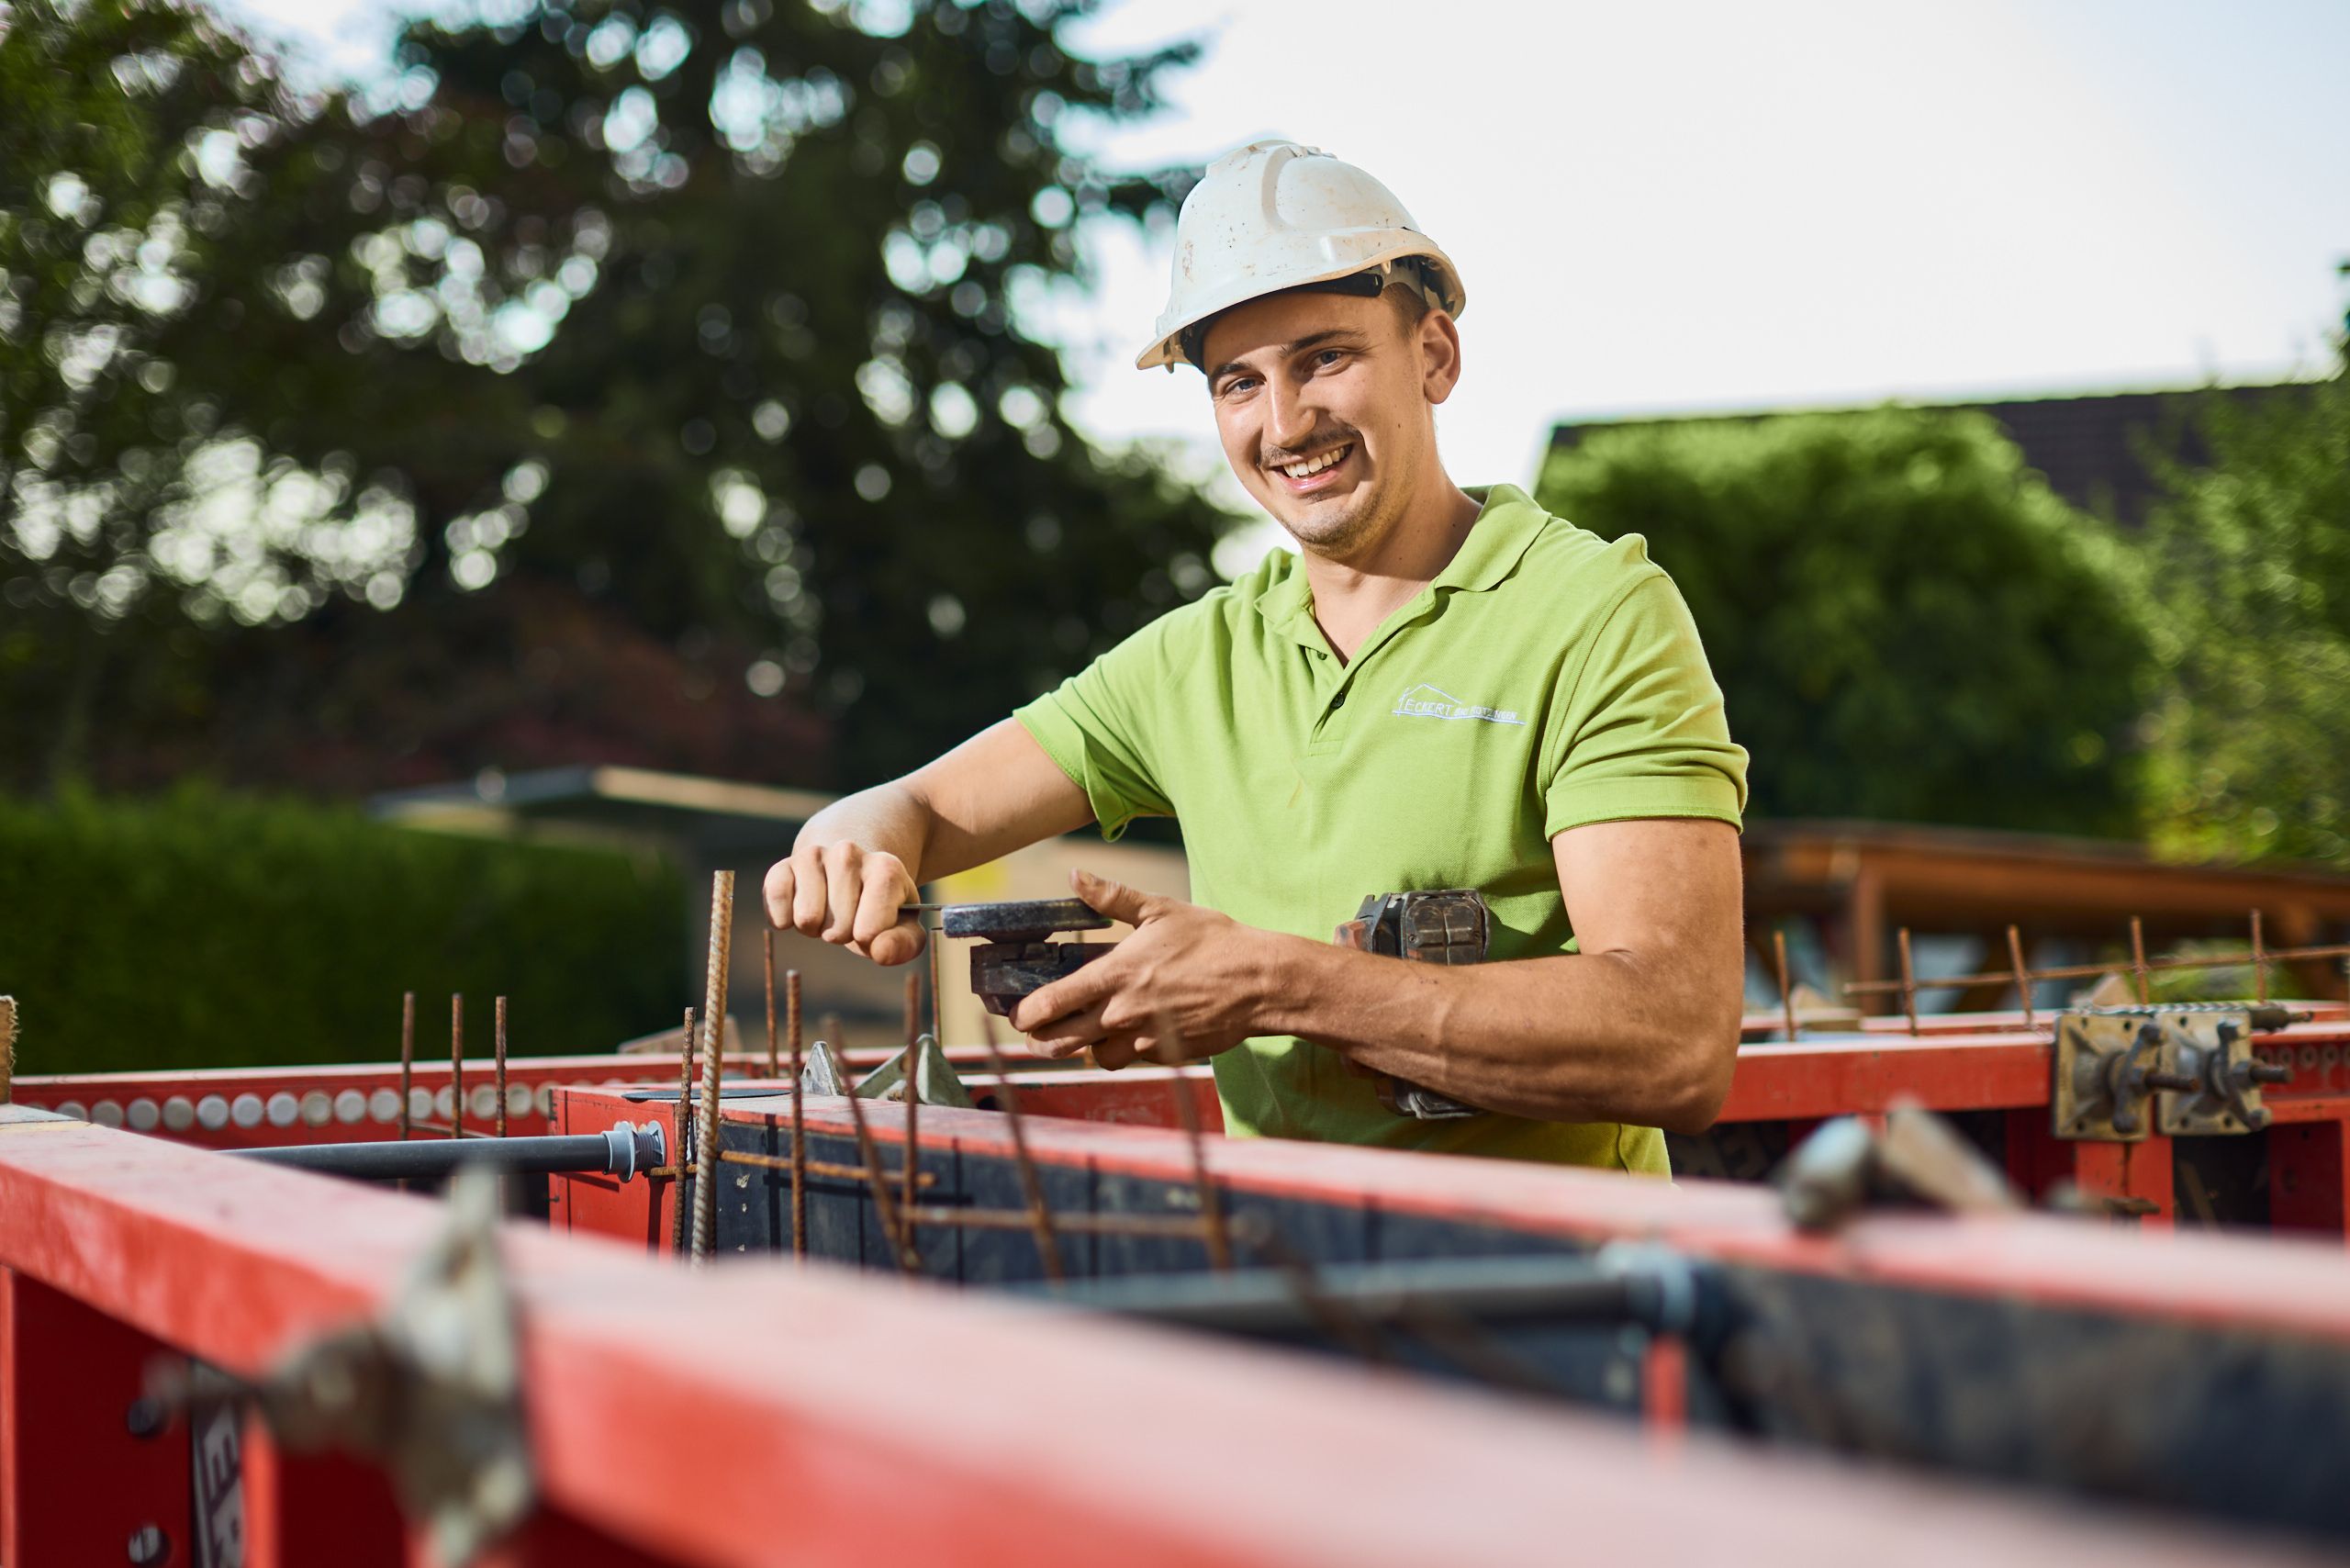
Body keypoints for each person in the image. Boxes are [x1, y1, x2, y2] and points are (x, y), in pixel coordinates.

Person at [764, 140, 1748, 1170]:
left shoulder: (1593, 616)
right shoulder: (1202, 656)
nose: (1285, 424)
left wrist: (1272, 983)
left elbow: (1673, 1042)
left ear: (1435, 355)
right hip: (1281, 1283)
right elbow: (914, 808)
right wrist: (851, 837)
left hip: (1559, 1296)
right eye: (1239, 383)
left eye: (1326, 357)